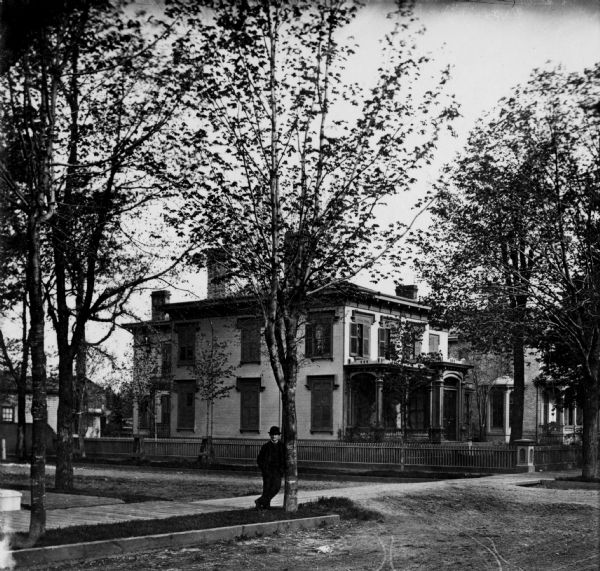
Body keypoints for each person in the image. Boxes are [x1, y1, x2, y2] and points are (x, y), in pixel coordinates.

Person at [255, 425, 285, 509]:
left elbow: (284, 460)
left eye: (276, 434)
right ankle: (266, 506)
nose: (274, 436)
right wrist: (264, 469)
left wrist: (281, 470)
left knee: (276, 488)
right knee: (267, 489)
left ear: (278, 436)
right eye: (272, 434)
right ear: (270, 435)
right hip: (267, 472)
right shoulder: (265, 447)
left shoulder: (282, 447)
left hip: (277, 472)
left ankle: (260, 501)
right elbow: (259, 459)